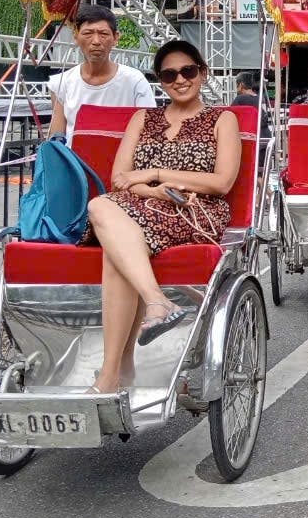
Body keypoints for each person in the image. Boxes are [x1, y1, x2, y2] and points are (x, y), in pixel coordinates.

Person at [84, 40, 240, 393]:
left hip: (193, 211)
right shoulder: (144, 118)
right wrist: (152, 189)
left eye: (188, 71)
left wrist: (156, 173)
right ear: (160, 80)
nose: (180, 80)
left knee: (104, 218)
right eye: (170, 74)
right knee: (103, 209)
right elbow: (120, 179)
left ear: (202, 71)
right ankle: (153, 308)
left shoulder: (221, 119)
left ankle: (113, 373)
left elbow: (221, 182)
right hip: (140, 205)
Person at [48, 5, 155, 139]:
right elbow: (57, 139)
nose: (96, 41)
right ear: (75, 37)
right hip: (73, 160)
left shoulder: (135, 81)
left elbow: (149, 132)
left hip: (122, 159)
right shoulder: (61, 83)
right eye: (88, 34)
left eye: (103, 34)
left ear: (115, 38)